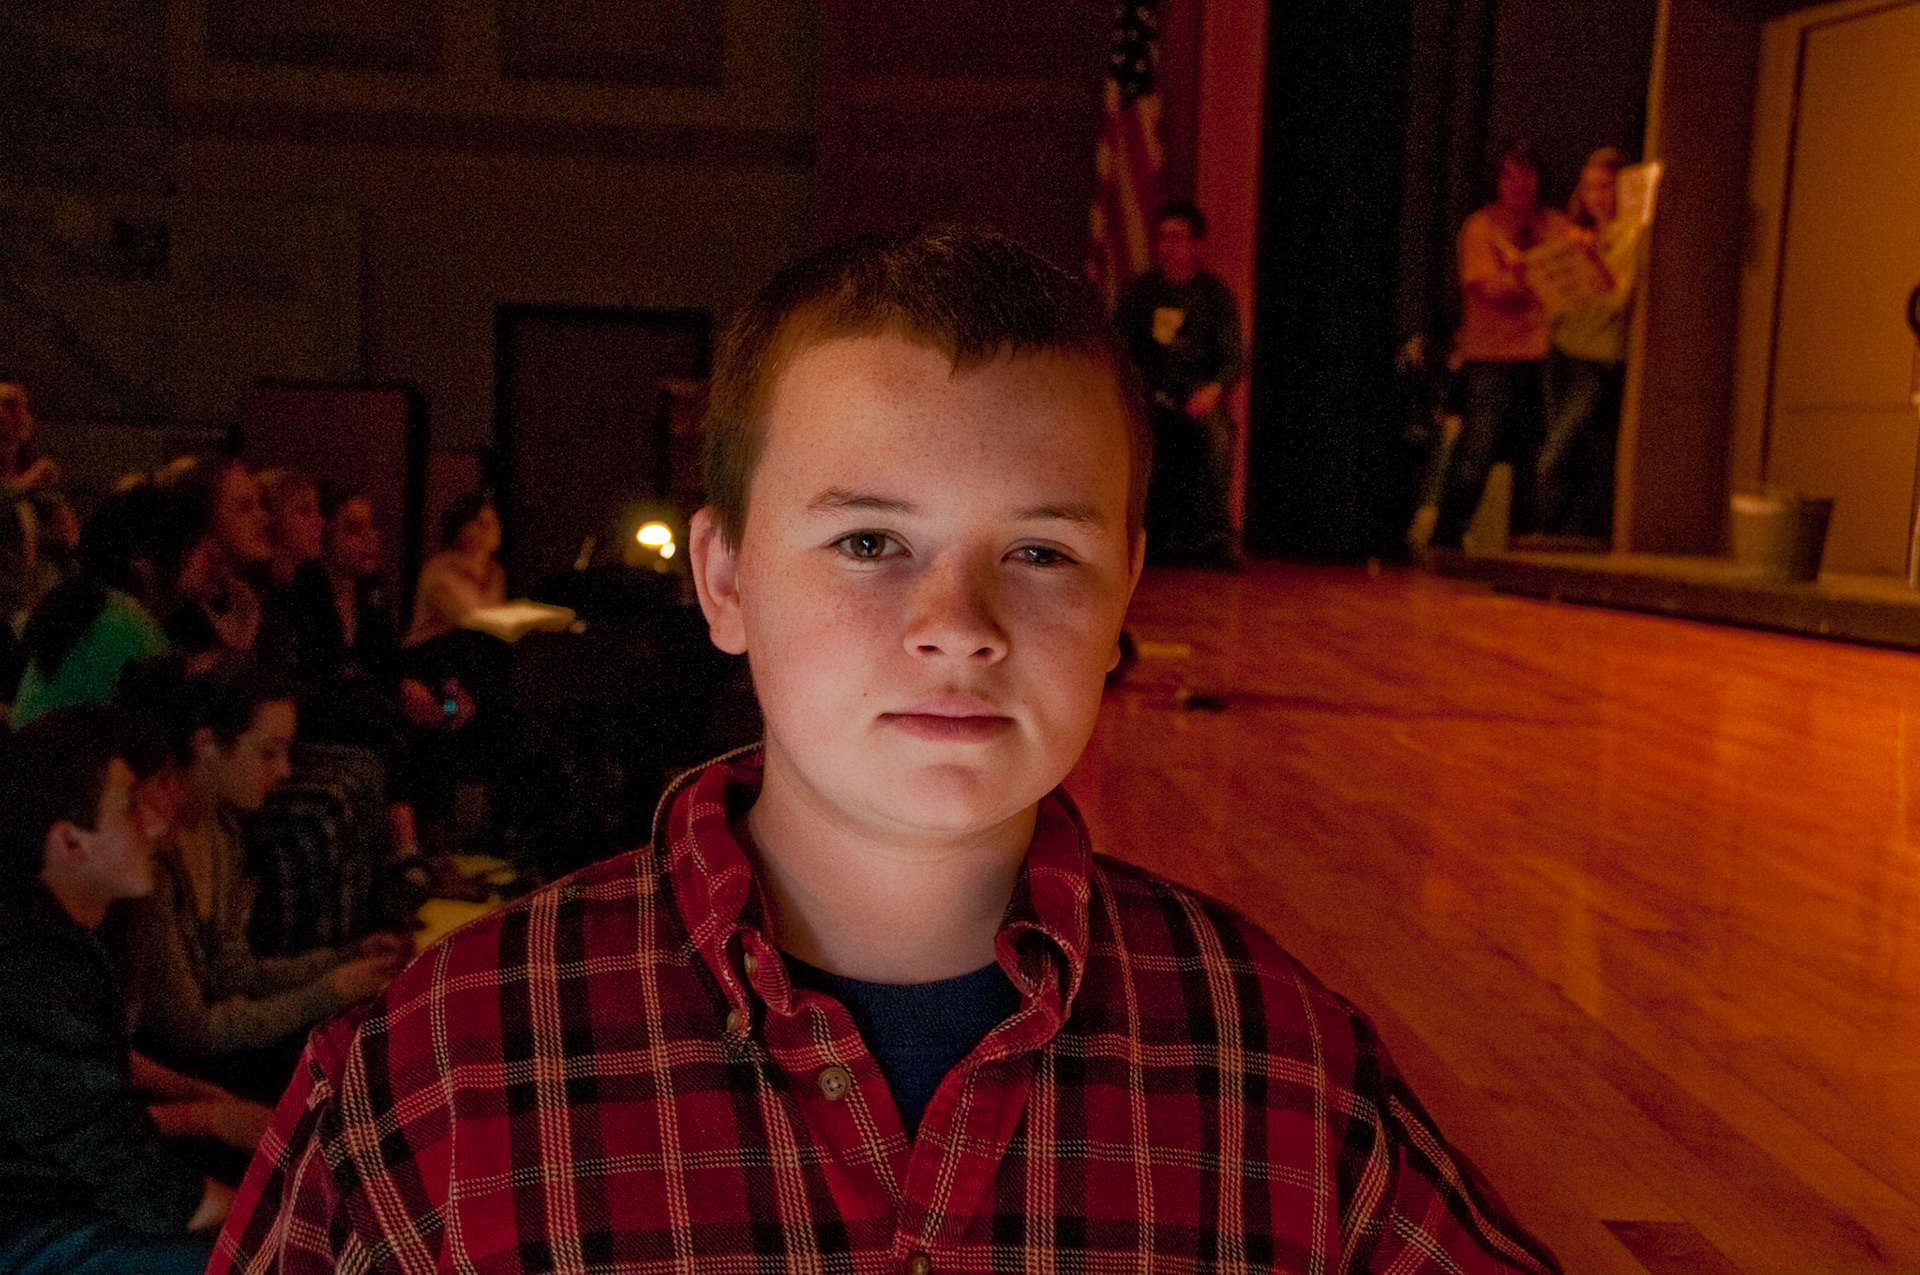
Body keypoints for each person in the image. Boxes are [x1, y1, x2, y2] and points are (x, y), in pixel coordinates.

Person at [212, 227, 1559, 1274]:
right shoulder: (442, 1068)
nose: (957, 623)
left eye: (1042, 552)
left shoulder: (1280, 1067)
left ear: (1127, 591)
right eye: (870, 541)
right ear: (725, 580)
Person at [0, 707, 262, 1274]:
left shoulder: (65, 927)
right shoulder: (32, 964)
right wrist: (291, 1219)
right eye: (131, 808)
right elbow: (138, 1183)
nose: (158, 824)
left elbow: (95, 1064)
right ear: (69, 842)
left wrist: (211, 1106)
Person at [117, 658, 406, 1097]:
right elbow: (189, 1031)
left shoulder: (223, 832)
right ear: (206, 744)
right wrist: (331, 991)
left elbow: (236, 973)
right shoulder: (150, 859)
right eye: (269, 752)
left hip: (218, 1053)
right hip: (171, 1077)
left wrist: (348, 957)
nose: (285, 770)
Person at [1428, 139, 1570, 551]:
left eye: (1527, 173)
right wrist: (1536, 276)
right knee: (1477, 454)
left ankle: (1523, 549)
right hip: (1491, 357)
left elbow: (1576, 269)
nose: (1519, 183)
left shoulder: (1554, 224)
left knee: (1534, 460)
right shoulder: (1481, 227)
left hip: (1543, 356)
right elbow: (1491, 289)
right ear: (1495, 180)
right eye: (1509, 174)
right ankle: (1445, 542)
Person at [11, 482, 217, 726]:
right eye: (192, 546)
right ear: (144, 564)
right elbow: (188, 733)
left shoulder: (100, 610)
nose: (212, 554)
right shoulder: (123, 629)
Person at [1115, 202, 1245, 564]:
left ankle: (1215, 538)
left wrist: (1213, 390)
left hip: (1197, 396)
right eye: (1163, 237)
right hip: (1148, 395)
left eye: (1177, 237)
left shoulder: (1216, 297)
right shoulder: (1138, 294)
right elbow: (1118, 350)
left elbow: (1234, 358)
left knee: (1219, 436)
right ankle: (1136, 532)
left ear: (1197, 245)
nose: (1167, 246)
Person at [1537, 147, 1643, 541]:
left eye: (1605, 187)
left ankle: (1550, 537)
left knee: (1556, 455)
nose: (1596, 196)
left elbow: (1618, 299)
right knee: (1579, 454)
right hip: (1562, 351)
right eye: (1589, 187)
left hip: (1598, 358)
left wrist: (1592, 259)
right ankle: (1572, 538)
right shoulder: (1576, 233)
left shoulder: (1631, 236)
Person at [159, 456, 273, 657]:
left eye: (260, 504)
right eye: (245, 507)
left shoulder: (246, 598)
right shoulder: (180, 614)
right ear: (203, 518)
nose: (263, 518)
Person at [0, 384, 78, 636]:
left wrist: (63, 525)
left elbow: (65, 541)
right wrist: (30, 480)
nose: (20, 414)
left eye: (24, 407)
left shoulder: (35, 484)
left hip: (30, 606)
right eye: (10, 405)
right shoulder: (30, 479)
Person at [403, 491, 506, 648]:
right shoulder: (441, 570)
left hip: (470, 651)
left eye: (494, 521)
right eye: (481, 523)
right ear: (460, 530)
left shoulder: (495, 571)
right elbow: (467, 620)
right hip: (431, 652)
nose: (492, 529)